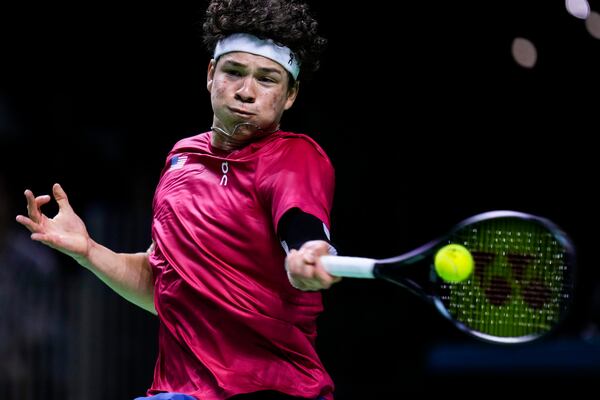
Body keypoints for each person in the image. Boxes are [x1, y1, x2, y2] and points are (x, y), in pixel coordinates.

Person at [16, 0, 340, 399]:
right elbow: (165, 289)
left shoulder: (293, 156)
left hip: (271, 389)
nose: (246, 92)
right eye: (234, 72)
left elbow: (302, 224)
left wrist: (307, 253)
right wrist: (88, 251)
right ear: (210, 75)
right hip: (178, 391)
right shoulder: (181, 158)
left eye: (268, 79)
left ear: (290, 95)